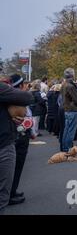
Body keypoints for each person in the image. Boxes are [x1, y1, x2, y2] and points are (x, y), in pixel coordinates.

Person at [0, 81, 33, 213]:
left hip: (4, 143)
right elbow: (27, 97)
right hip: (3, 146)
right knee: (2, 193)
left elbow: (26, 98)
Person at [8, 75, 33, 206]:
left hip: (22, 132)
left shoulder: (14, 97)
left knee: (17, 165)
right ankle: (10, 193)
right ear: (21, 85)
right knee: (16, 164)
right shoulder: (17, 98)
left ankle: (12, 190)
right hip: (20, 133)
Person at [61, 68, 77, 152]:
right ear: (72, 75)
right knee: (71, 131)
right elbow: (76, 99)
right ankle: (68, 148)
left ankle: (65, 147)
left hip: (67, 109)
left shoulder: (64, 84)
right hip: (73, 110)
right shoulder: (70, 86)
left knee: (66, 130)